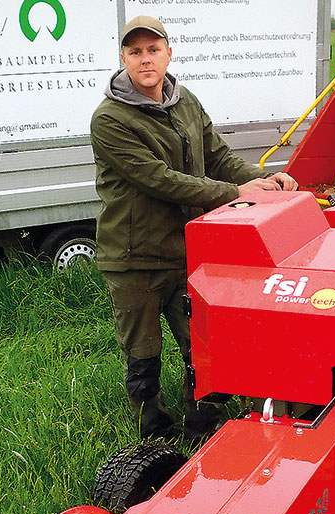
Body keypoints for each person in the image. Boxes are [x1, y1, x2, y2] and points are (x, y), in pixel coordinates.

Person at [90, 14, 297, 438]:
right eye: (135, 52)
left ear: (169, 53)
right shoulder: (109, 119)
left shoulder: (186, 101)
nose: (145, 59)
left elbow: (219, 156)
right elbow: (161, 180)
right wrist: (236, 193)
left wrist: (262, 179)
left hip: (189, 252)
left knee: (203, 347)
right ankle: (155, 437)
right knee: (143, 357)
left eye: (153, 49)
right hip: (135, 259)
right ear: (123, 59)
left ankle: (203, 428)